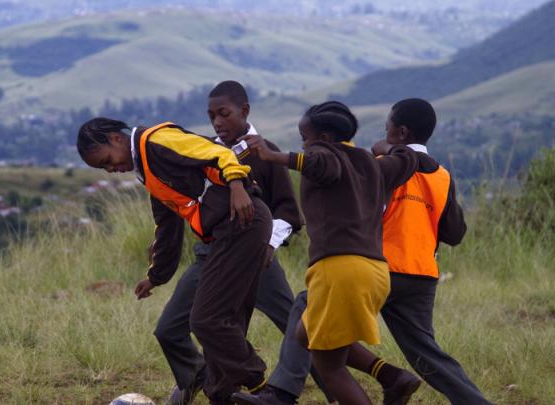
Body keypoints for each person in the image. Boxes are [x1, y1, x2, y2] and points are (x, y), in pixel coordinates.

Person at [158, 81, 332, 405]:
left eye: (224, 114)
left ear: (245, 111)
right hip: (210, 256)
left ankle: (334, 386)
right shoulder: (206, 151)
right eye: (211, 117)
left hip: (259, 258)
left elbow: (288, 212)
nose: (217, 123)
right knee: (172, 327)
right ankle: (199, 378)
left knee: (293, 323)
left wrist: (267, 246)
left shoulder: (264, 151)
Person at [234, 103, 418, 405]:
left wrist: (273, 156)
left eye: (306, 137)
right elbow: (407, 158)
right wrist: (386, 146)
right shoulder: (373, 164)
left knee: (329, 366)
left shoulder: (326, 157)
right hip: (374, 271)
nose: (304, 143)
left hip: (340, 270)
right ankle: (392, 377)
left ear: (326, 137)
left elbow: (321, 163)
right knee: (305, 334)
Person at [77, 117, 271, 404]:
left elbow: (217, 152)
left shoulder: (157, 141)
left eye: (107, 160)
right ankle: (223, 395)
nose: (111, 169)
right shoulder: (147, 170)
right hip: (225, 234)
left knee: (206, 320)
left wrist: (237, 185)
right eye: (104, 168)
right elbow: (167, 228)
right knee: (225, 323)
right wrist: (156, 276)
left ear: (116, 139)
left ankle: (262, 389)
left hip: (242, 221)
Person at [346, 98, 492, 405]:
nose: (383, 131)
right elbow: (455, 234)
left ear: (400, 132)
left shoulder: (387, 166)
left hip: (379, 269)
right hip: (422, 276)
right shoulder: (442, 176)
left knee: (312, 314)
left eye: (387, 125)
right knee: (426, 354)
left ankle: (283, 390)